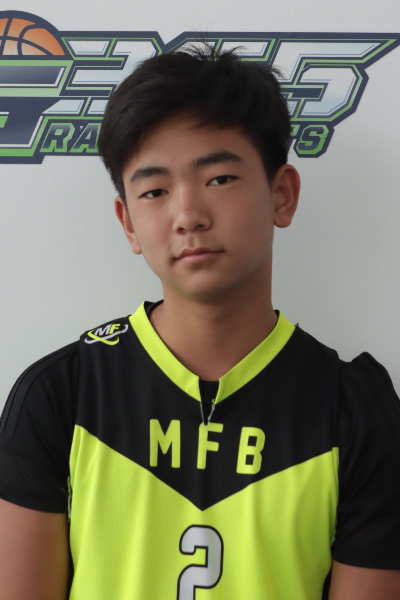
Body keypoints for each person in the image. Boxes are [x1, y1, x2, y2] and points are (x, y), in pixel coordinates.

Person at [0, 43, 399, 600]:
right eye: (155, 191)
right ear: (128, 223)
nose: (188, 215)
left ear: (282, 194)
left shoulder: (354, 410)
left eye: (219, 179)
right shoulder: (61, 395)